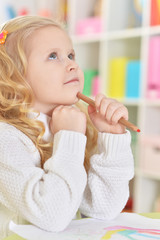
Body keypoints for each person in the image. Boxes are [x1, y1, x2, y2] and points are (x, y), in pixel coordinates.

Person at [0, 15, 134, 239]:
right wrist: (69, 136)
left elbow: (103, 208)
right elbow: (52, 216)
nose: (73, 64)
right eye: (53, 56)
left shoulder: (68, 125)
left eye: (71, 55)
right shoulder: (6, 139)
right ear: (14, 77)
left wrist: (111, 138)